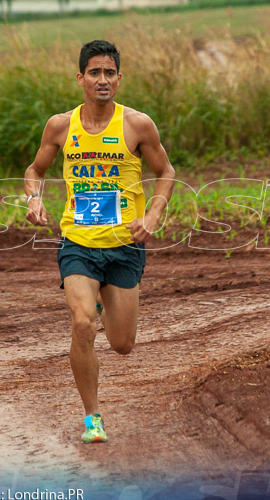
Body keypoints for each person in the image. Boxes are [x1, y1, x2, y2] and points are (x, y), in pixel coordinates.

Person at [24, 40, 175, 443]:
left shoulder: (138, 124)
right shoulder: (60, 126)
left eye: (109, 73)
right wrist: (33, 198)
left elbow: (166, 171)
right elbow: (34, 169)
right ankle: (93, 417)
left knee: (123, 344)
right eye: (95, 73)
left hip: (126, 243)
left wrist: (153, 214)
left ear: (119, 79)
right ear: (81, 79)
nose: (102, 80)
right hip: (78, 241)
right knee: (82, 322)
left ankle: (108, 307)